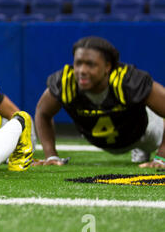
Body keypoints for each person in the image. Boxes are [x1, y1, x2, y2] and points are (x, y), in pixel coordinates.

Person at [34, 36, 165, 169]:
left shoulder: (127, 81)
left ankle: (143, 149)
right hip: (104, 139)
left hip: (145, 133)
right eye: (78, 63)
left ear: (107, 66)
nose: (82, 71)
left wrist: (162, 156)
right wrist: (51, 155)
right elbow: (42, 112)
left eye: (90, 64)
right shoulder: (66, 83)